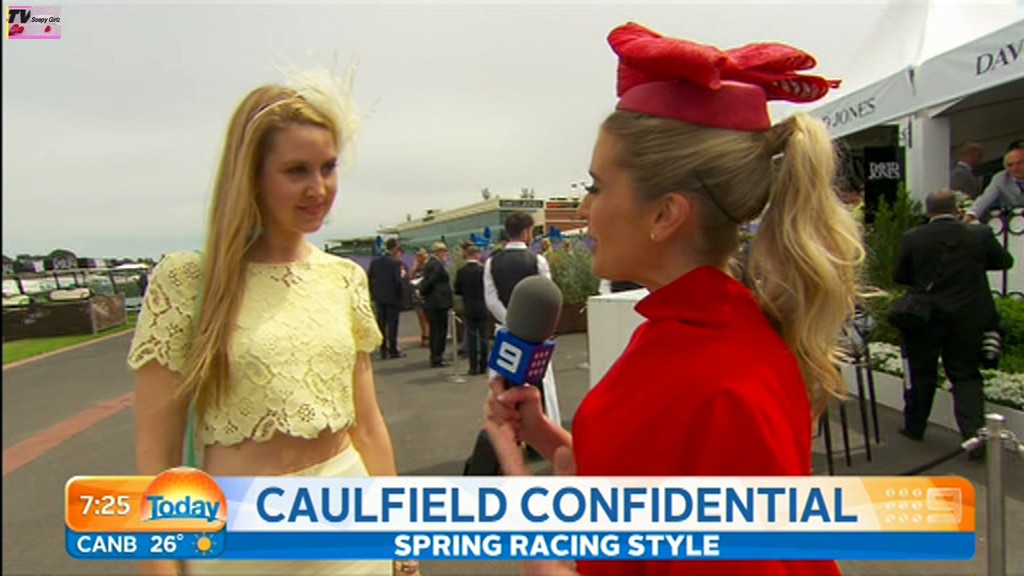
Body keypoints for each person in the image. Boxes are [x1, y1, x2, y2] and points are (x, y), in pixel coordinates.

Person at [484, 22, 863, 576]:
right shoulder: (682, 334)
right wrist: (549, 439)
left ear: (665, 214)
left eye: (597, 186)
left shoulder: (722, 385)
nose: (584, 210)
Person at [127, 67, 405, 576]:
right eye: (296, 170)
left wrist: (403, 548)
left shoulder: (343, 278)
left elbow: (367, 425)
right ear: (251, 177)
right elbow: (156, 455)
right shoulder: (188, 280)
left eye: (328, 167)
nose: (319, 188)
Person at [893, 189, 1013, 450]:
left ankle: (915, 427)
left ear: (929, 211)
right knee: (965, 373)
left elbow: (900, 276)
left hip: (925, 317)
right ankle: (974, 436)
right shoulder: (979, 235)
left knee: (921, 372)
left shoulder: (913, 237)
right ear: (957, 209)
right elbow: (1004, 261)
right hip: (968, 317)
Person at [368, 237, 407, 360]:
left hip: (379, 297)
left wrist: (373, 294)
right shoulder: (395, 263)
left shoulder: (375, 262)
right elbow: (398, 281)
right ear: (395, 248)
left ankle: (383, 349)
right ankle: (393, 350)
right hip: (392, 297)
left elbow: (370, 278)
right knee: (392, 324)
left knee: (381, 324)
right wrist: (401, 296)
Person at [965, 143, 1024, 222]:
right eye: (1010, 165)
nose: (1015, 168)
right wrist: (971, 215)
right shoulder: (1000, 178)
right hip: (1011, 222)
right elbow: (985, 199)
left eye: (1019, 163)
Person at [453, 244, 489, 375]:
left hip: (469, 306)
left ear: (467, 255)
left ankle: (473, 367)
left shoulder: (461, 271)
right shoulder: (483, 270)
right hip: (482, 305)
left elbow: (457, 290)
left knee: (472, 337)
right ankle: (483, 365)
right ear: (477, 255)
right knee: (484, 337)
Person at [417, 241, 453, 367]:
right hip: (438, 302)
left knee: (434, 330)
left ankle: (436, 356)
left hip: (433, 302)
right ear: (439, 252)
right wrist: (422, 291)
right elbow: (430, 281)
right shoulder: (436, 265)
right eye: (444, 252)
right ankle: (438, 357)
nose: (446, 255)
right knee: (439, 331)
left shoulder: (430, 264)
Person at [409, 247, 431, 348]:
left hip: (426, 294)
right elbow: (411, 278)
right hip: (416, 294)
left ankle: (428, 336)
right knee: (421, 316)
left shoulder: (429, 266)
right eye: (418, 255)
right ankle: (425, 335)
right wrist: (415, 266)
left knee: (428, 316)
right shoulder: (415, 267)